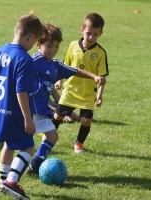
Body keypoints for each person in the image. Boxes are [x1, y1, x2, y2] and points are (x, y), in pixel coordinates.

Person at [0, 22, 104, 183]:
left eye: (56, 46)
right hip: (26, 110)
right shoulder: (32, 61)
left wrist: (93, 77)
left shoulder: (55, 65)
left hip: (40, 111)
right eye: (49, 46)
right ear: (38, 44)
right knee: (13, 141)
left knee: (52, 136)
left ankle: (34, 165)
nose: (53, 50)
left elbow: (74, 70)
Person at [0, 14, 43, 200]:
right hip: (14, 112)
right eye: (35, 41)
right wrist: (28, 118)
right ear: (31, 37)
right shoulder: (24, 59)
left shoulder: (0, 51)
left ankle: (2, 182)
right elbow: (22, 92)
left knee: (8, 145)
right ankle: (11, 182)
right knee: (28, 148)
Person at [52, 13, 108, 154]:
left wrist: (100, 96)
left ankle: (79, 143)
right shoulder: (73, 46)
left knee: (86, 121)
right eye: (88, 33)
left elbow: (102, 78)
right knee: (58, 116)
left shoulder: (100, 53)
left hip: (88, 93)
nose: (91, 37)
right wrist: (59, 81)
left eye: (95, 34)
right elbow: (65, 66)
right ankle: (49, 137)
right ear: (82, 29)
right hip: (70, 89)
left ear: (100, 33)